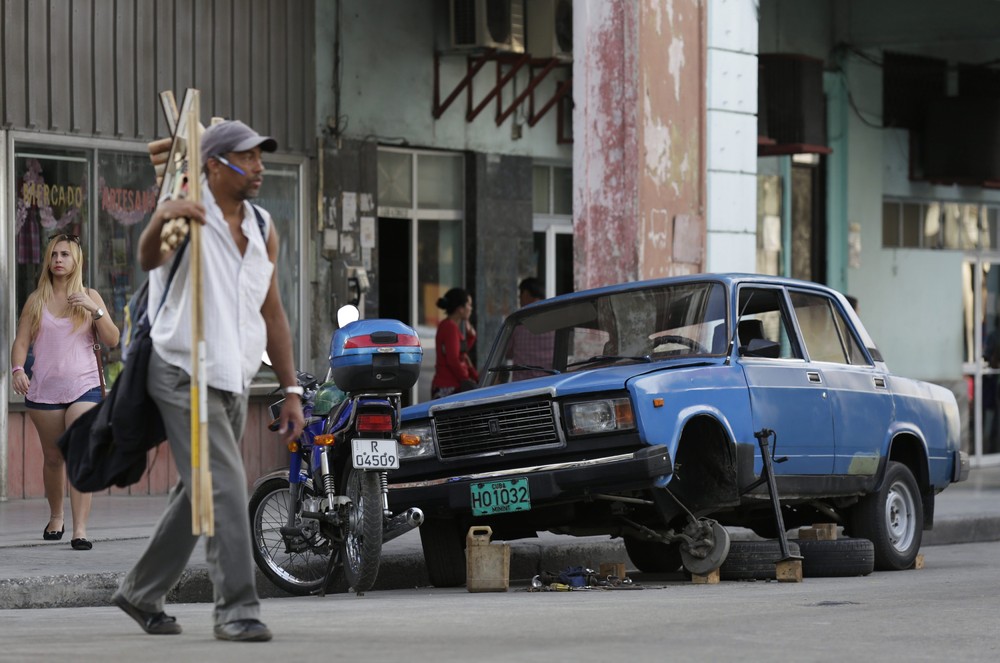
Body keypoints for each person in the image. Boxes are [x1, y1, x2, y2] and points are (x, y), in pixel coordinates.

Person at [111, 120, 304, 642]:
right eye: (250, 157)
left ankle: (140, 591)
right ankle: (237, 608)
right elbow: (149, 257)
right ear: (215, 165)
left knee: (198, 493)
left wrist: (291, 390)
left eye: (262, 157)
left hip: (234, 375)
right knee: (224, 485)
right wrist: (161, 217)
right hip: (181, 370)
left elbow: (273, 312)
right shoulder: (188, 217)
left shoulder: (264, 227)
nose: (260, 167)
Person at [10, 234, 120, 552]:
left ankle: (80, 530)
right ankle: (56, 515)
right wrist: (18, 370)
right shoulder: (37, 300)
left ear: (76, 262)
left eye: (66, 255)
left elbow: (112, 340)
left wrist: (94, 311)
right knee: (54, 458)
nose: (59, 259)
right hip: (44, 390)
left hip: (84, 387)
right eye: (54, 254)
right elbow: (21, 342)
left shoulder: (89, 295)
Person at [431, 287, 478, 399]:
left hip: (448, 385)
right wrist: (466, 378)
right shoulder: (449, 327)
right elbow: (453, 359)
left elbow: (460, 352)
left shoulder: (450, 326)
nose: (471, 309)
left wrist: (471, 336)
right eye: (469, 305)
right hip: (448, 386)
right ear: (460, 308)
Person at [508, 277, 554, 381]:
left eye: (520, 295)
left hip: (522, 388)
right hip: (549, 385)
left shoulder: (518, 322)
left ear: (526, 294)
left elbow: (508, 352)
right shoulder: (555, 320)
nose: (519, 299)